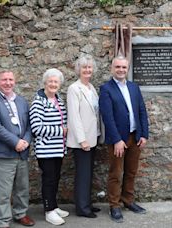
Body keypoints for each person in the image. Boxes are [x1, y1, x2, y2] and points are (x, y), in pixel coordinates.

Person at [99, 56, 149, 223]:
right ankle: (114, 205)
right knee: (115, 173)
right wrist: (116, 140)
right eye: (118, 67)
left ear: (127, 69)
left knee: (131, 171)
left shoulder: (134, 87)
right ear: (112, 68)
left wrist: (144, 134)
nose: (121, 70)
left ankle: (128, 200)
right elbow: (107, 117)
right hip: (118, 139)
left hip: (135, 136)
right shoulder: (106, 89)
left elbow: (142, 111)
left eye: (123, 67)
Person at [0, 70, 35, 228]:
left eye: (10, 79)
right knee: (3, 191)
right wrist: (15, 142)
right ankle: (3, 219)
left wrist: (25, 141)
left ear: (15, 81)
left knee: (22, 188)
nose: (8, 83)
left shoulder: (22, 101)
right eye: (4, 80)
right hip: (4, 153)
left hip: (22, 152)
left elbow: (29, 126)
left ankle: (20, 214)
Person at [29, 68, 69, 225]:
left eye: (56, 82)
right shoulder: (38, 102)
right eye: (50, 81)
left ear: (60, 84)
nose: (53, 84)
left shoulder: (58, 100)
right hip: (45, 150)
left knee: (55, 178)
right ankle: (49, 211)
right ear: (45, 83)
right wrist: (61, 131)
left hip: (58, 149)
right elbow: (36, 128)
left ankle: (54, 206)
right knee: (49, 180)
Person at [67, 55, 101, 218]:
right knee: (82, 174)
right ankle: (82, 208)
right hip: (83, 141)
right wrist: (82, 140)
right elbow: (74, 117)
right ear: (78, 70)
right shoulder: (74, 88)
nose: (87, 70)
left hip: (92, 137)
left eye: (89, 67)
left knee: (88, 174)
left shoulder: (91, 87)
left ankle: (87, 203)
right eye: (84, 67)